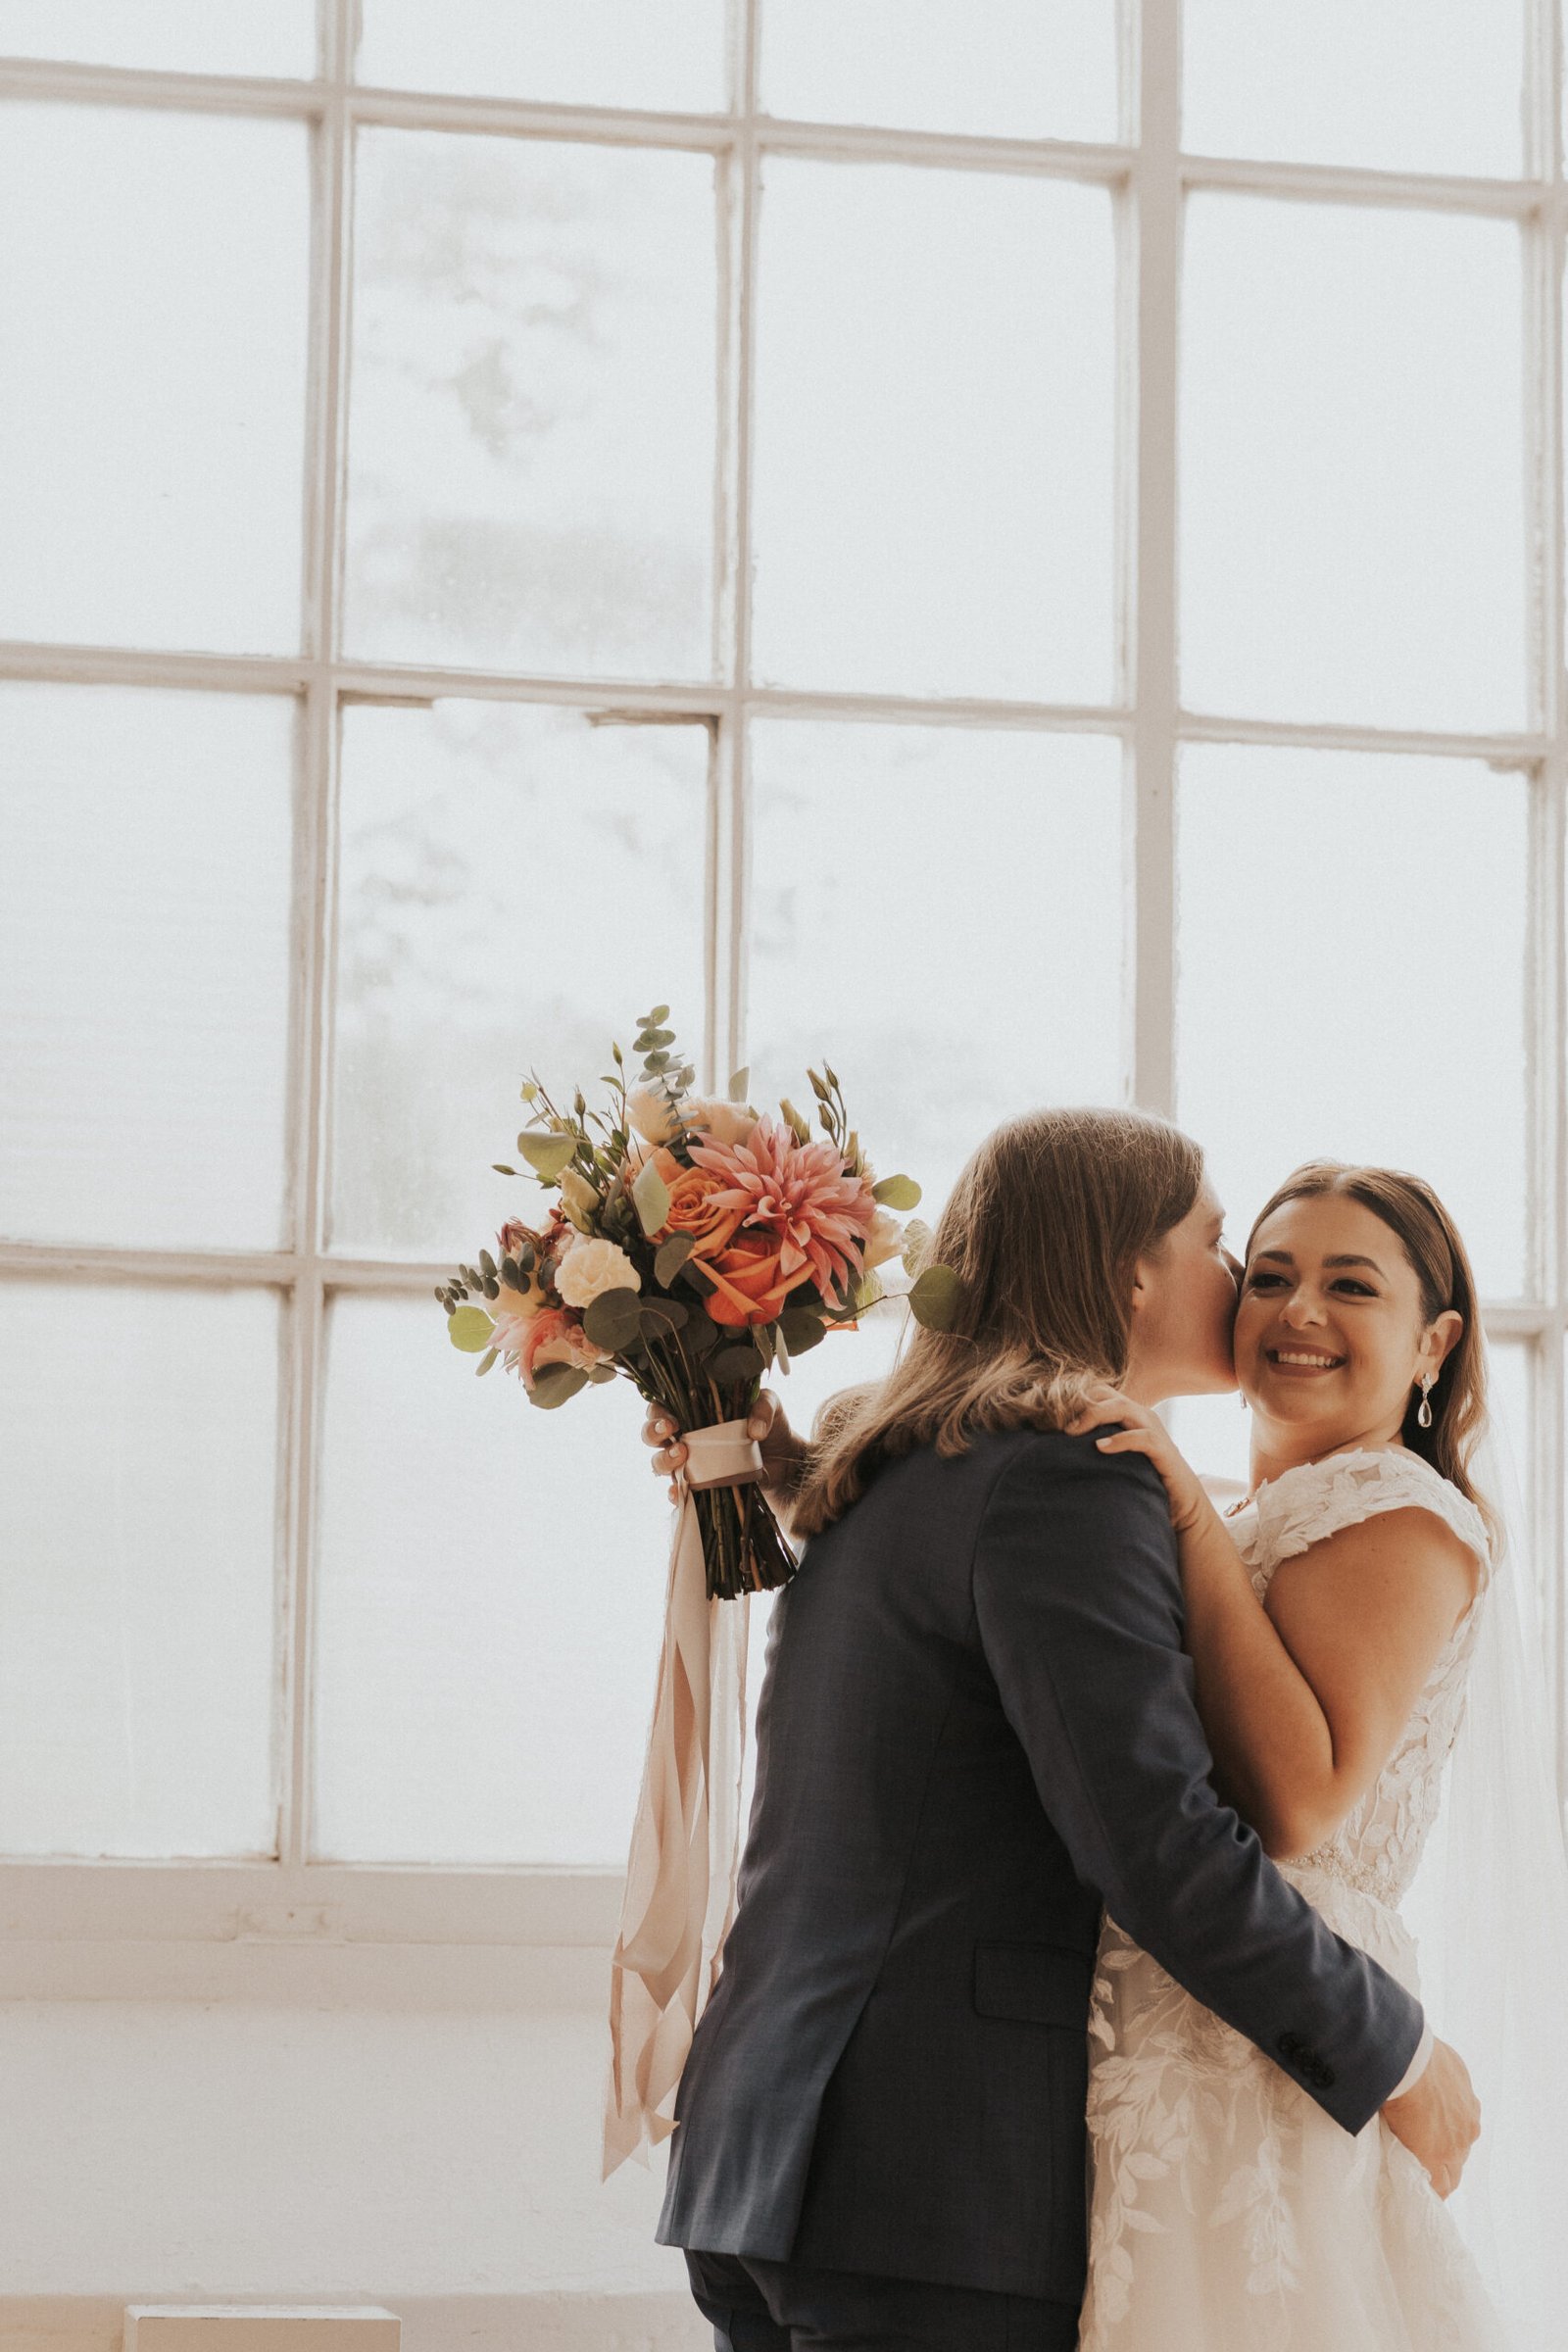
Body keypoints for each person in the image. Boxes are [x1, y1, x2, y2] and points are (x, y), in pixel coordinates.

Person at [641, 1109, 1478, 2352]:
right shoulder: (1064, 1479)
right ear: (1131, 1271)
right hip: (931, 2186)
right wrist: (1393, 2057)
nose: (1246, 1288)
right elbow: (1156, 1847)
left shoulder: (880, 1464)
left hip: (763, 2147)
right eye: (1221, 1245)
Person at [1063, 1161, 1509, 2347]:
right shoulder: (1228, 1506)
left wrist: (1187, 1509)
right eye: (1269, 1276)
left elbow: (1299, 1802)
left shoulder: (1400, 1513)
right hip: (1164, 1994)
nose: (1297, 1312)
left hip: (1265, 2030)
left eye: (1350, 1286)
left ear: (1434, 1342)